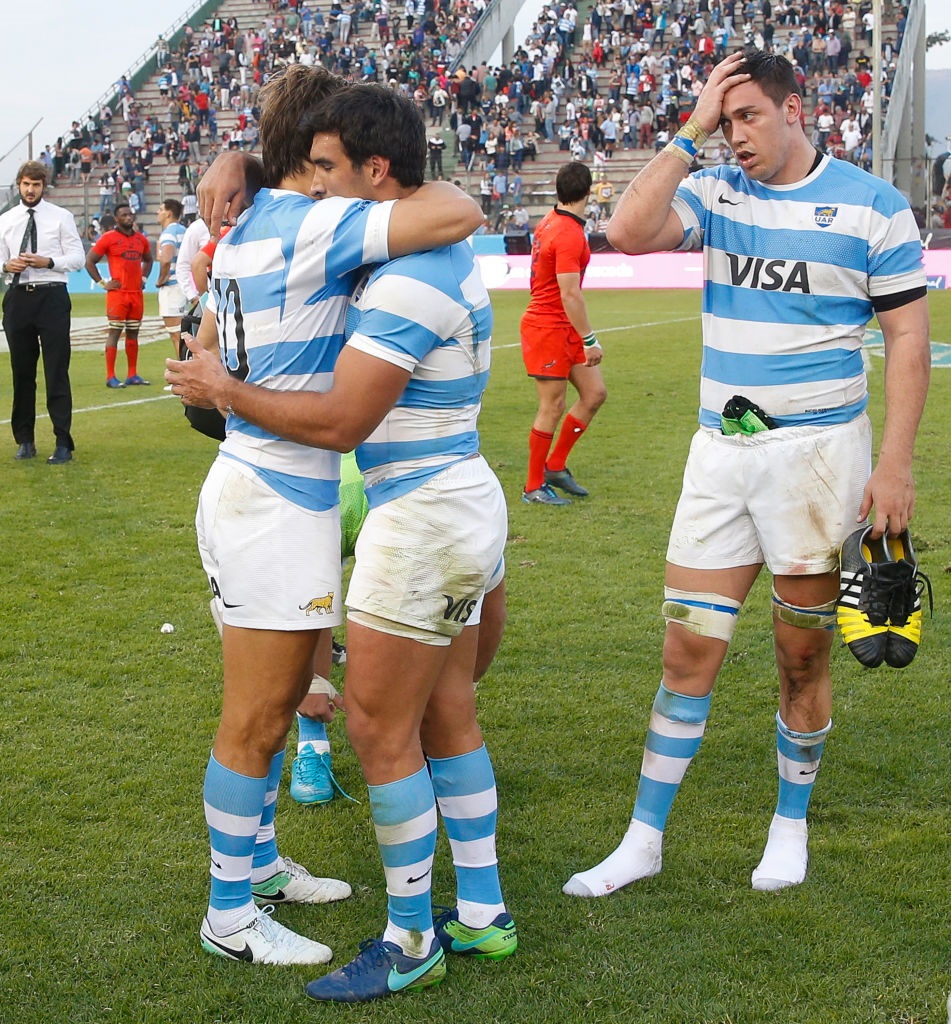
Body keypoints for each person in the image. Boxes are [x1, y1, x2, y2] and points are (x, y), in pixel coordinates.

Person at [167, 83, 512, 1002]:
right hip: (294, 498)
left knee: (341, 714)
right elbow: (453, 205)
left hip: (370, 501)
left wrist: (240, 165)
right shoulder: (325, 232)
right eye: (310, 166)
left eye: (335, 170)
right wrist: (252, 164)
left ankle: (391, 919)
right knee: (270, 713)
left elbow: (334, 411)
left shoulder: (273, 234)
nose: (323, 186)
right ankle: (233, 911)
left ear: (375, 170)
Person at [563, 49, 930, 899]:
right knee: (686, 649)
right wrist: (690, 132)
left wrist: (895, 465)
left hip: (817, 459)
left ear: (794, 108)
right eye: (724, 123)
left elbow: (907, 340)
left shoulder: (874, 208)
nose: (737, 137)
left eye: (747, 118)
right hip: (718, 455)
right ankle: (642, 839)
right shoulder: (716, 189)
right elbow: (625, 232)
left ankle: (787, 824)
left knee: (800, 657)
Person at [519, 162, 607, 506]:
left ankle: (555, 466)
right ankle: (533, 486)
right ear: (588, 192)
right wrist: (589, 339)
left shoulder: (551, 222)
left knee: (594, 393)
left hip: (560, 326)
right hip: (549, 327)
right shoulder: (568, 233)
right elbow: (570, 293)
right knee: (551, 406)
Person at [0, 161, 85, 464]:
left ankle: (63, 441)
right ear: (19, 185)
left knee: (56, 371)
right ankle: (25, 440)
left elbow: (77, 258)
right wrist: (6, 266)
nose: (31, 190)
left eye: (36, 185)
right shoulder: (6, 219)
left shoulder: (61, 217)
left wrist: (47, 262)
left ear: (43, 186)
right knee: (22, 373)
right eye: (26, 184)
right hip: (18, 297)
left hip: (51, 297)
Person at [84, 202, 153, 388]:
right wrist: (103, 283)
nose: (128, 217)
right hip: (118, 295)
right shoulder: (108, 238)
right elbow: (89, 261)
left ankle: (132, 374)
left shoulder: (141, 239)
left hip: (136, 294)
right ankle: (110, 376)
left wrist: (144, 278)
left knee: (133, 333)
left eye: (130, 214)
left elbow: (149, 259)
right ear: (116, 219)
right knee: (114, 332)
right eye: (123, 215)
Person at [155, 199, 188, 357]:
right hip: (186, 285)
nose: (158, 212)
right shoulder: (184, 230)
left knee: (177, 335)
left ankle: (187, 377)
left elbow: (167, 258)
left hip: (173, 287)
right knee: (188, 334)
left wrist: (161, 279)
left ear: (168, 213)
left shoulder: (168, 233)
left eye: (160, 209)